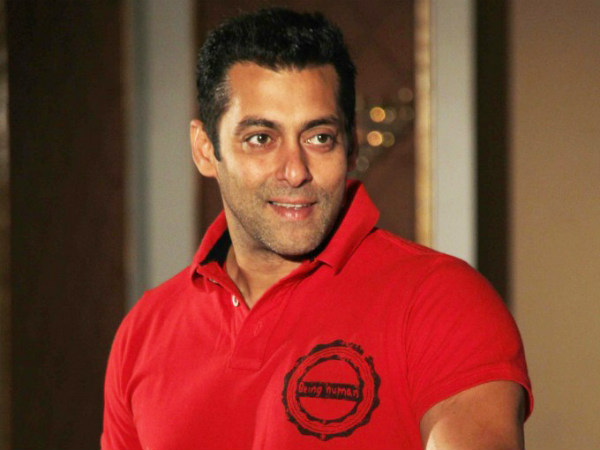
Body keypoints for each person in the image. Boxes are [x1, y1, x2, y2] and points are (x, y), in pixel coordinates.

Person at [102, 7, 532, 450]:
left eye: (319, 137)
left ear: (351, 146)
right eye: (261, 138)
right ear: (205, 150)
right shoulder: (143, 331)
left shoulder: (442, 302)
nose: (295, 171)